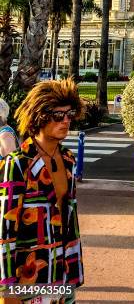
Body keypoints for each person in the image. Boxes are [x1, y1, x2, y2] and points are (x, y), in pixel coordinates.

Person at [0, 78, 85, 303]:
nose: (66, 121)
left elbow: (70, 218)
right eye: (58, 115)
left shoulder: (68, 160)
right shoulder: (18, 163)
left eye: (70, 114)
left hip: (63, 270)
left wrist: (75, 271)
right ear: (40, 116)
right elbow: (5, 229)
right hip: (28, 275)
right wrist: (7, 285)